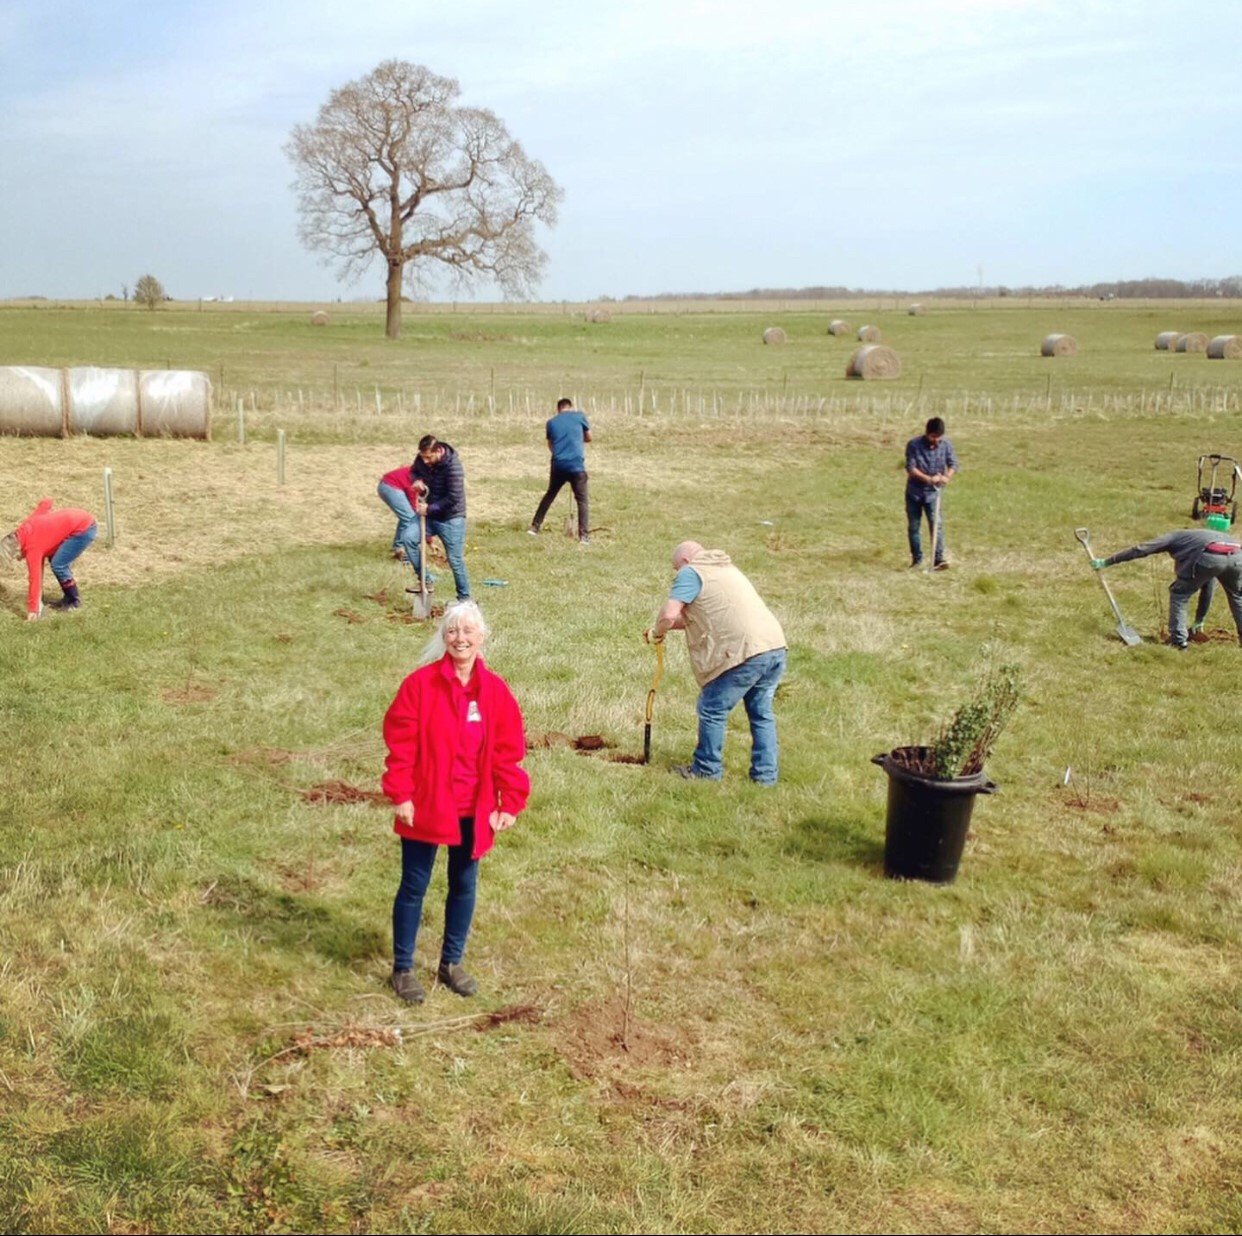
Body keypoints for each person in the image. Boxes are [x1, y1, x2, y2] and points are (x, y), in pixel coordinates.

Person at [381, 600, 530, 1003]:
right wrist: (402, 794)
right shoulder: (419, 686)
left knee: (464, 884)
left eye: (468, 632)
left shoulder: (495, 692)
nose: (459, 638)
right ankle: (403, 967)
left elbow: (506, 751)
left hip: (474, 807)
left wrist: (508, 803)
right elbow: (401, 743)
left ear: (482, 637)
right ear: (443, 636)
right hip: (426, 803)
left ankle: (451, 961)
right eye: (452, 631)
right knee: (414, 883)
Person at [646, 540, 787, 784]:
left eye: (676, 568)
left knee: (712, 708)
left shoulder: (691, 572)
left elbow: (669, 615)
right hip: (774, 646)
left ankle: (706, 771)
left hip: (746, 652)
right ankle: (766, 777)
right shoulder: (725, 569)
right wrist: (658, 628)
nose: (677, 574)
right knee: (761, 713)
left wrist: (657, 633)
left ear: (685, 562)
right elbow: (696, 617)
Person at [1092, 522, 1242, 650]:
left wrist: (1107, 562)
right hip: (1237, 555)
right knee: (1236, 597)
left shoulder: (1173, 537)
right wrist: (1199, 620)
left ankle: (1179, 641)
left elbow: (1141, 549)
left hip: (1208, 555)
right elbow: (1208, 583)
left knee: (1180, 594)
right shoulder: (1200, 537)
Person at [1, 499, 98, 620]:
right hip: (79, 518)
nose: (18, 559)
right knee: (54, 558)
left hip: (84, 528)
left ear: (16, 548)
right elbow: (45, 505)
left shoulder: (33, 548)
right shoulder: (26, 526)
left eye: (15, 556)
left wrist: (33, 610)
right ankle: (67, 598)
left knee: (59, 565)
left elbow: (35, 579)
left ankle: (74, 601)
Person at [410, 435, 470, 600]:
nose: (426, 461)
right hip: (428, 516)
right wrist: (416, 481)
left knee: (455, 560)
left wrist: (429, 508)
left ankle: (464, 599)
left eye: (429, 457)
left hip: (451, 518)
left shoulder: (453, 467)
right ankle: (425, 581)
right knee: (408, 539)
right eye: (423, 457)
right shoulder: (422, 459)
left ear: (438, 451)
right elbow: (414, 470)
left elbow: (453, 498)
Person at [528, 397, 592, 543]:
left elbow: (551, 445)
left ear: (558, 409)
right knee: (582, 501)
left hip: (558, 465)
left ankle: (535, 527)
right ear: (570, 407)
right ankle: (584, 536)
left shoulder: (551, 422)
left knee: (550, 495)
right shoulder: (580, 416)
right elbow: (589, 438)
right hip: (577, 466)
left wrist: (561, 453)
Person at [905, 416, 958, 569]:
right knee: (914, 526)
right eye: (933, 436)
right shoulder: (914, 445)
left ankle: (938, 559)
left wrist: (947, 476)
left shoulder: (946, 444)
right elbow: (911, 468)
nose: (936, 440)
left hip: (934, 495)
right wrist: (929, 479)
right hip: (914, 493)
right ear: (927, 433)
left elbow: (953, 463)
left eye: (938, 437)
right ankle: (917, 559)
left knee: (936, 524)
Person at [376, 456, 426, 564]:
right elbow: (413, 499)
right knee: (410, 518)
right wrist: (428, 539)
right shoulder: (419, 478)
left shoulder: (423, 476)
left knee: (407, 517)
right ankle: (404, 553)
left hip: (389, 485)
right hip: (389, 486)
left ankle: (398, 547)